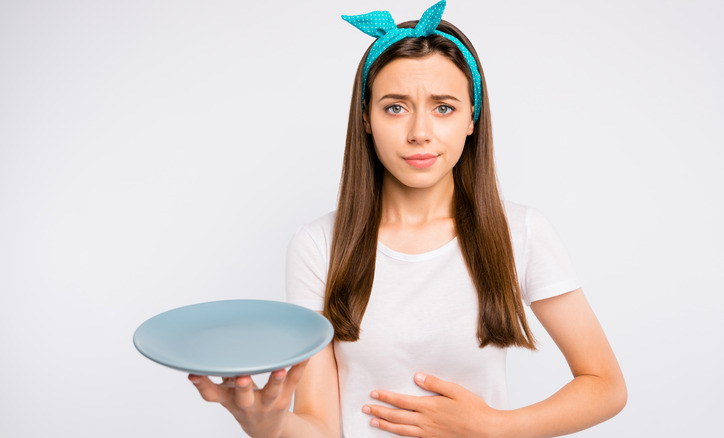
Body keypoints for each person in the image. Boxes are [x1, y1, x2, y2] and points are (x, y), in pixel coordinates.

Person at [188, 1, 627, 437]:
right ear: (366, 117)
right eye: (395, 107)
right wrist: (268, 425)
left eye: (444, 108)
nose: (420, 131)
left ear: (472, 118)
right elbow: (321, 425)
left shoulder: (520, 233)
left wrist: (496, 427)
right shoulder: (318, 244)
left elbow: (605, 385)